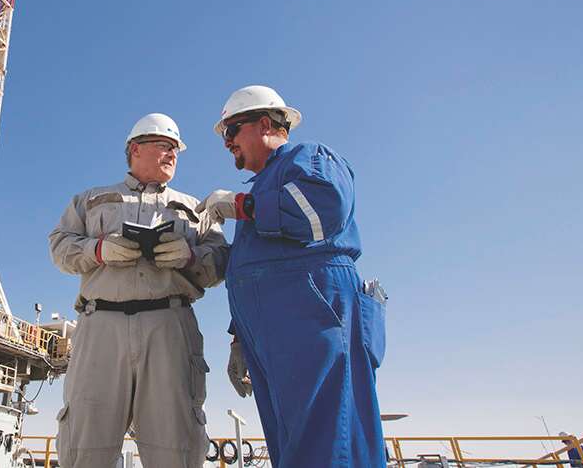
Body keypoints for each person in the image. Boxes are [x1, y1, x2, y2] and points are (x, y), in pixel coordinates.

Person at [196, 86, 387, 467]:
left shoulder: (309, 157)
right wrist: (239, 339)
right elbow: (256, 266)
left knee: (329, 441)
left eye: (231, 131)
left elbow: (322, 211)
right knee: (293, 444)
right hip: (275, 329)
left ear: (265, 123)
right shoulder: (265, 187)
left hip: (314, 314)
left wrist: (240, 204)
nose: (227, 143)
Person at [49, 113, 229, 468]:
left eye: (175, 148)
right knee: (86, 443)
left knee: (175, 445)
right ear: (135, 149)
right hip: (100, 324)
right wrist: (98, 250)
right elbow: (59, 247)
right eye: (164, 145)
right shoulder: (91, 200)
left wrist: (191, 255)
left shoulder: (197, 209)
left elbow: (221, 259)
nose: (172, 154)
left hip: (170, 326)